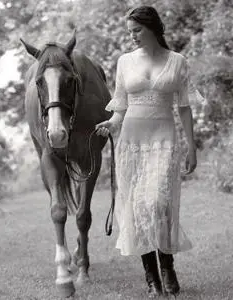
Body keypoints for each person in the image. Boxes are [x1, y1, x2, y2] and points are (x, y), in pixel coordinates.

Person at [95, 6, 199, 298]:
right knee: (138, 208)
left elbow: (185, 106)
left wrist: (191, 146)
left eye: (137, 31)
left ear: (152, 28)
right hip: (131, 142)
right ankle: (152, 279)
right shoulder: (124, 61)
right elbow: (121, 105)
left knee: (158, 203)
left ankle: (167, 267)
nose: (132, 37)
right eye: (129, 32)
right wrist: (111, 122)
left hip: (164, 141)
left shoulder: (177, 61)